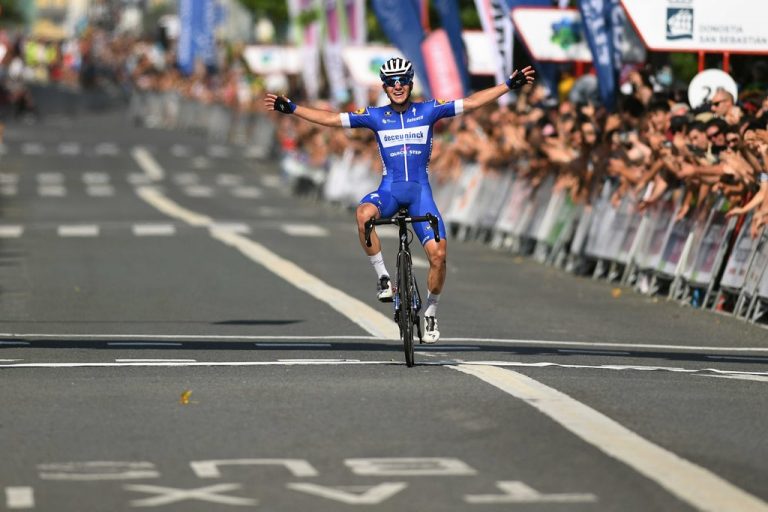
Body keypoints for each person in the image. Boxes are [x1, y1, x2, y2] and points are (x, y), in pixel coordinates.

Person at [264, 58, 535, 343]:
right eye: (391, 82)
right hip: (389, 191)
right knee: (363, 214)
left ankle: (430, 310)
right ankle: (383, 277)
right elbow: (332, 120)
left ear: (410, 83)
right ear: (384, 87)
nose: (397, 86)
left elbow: (471, 103)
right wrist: (292, 108)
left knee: (439, 257)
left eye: (402, 80)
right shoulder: (375, 116)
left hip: (420, 193)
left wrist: (507, 85)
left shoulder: (428, 110)